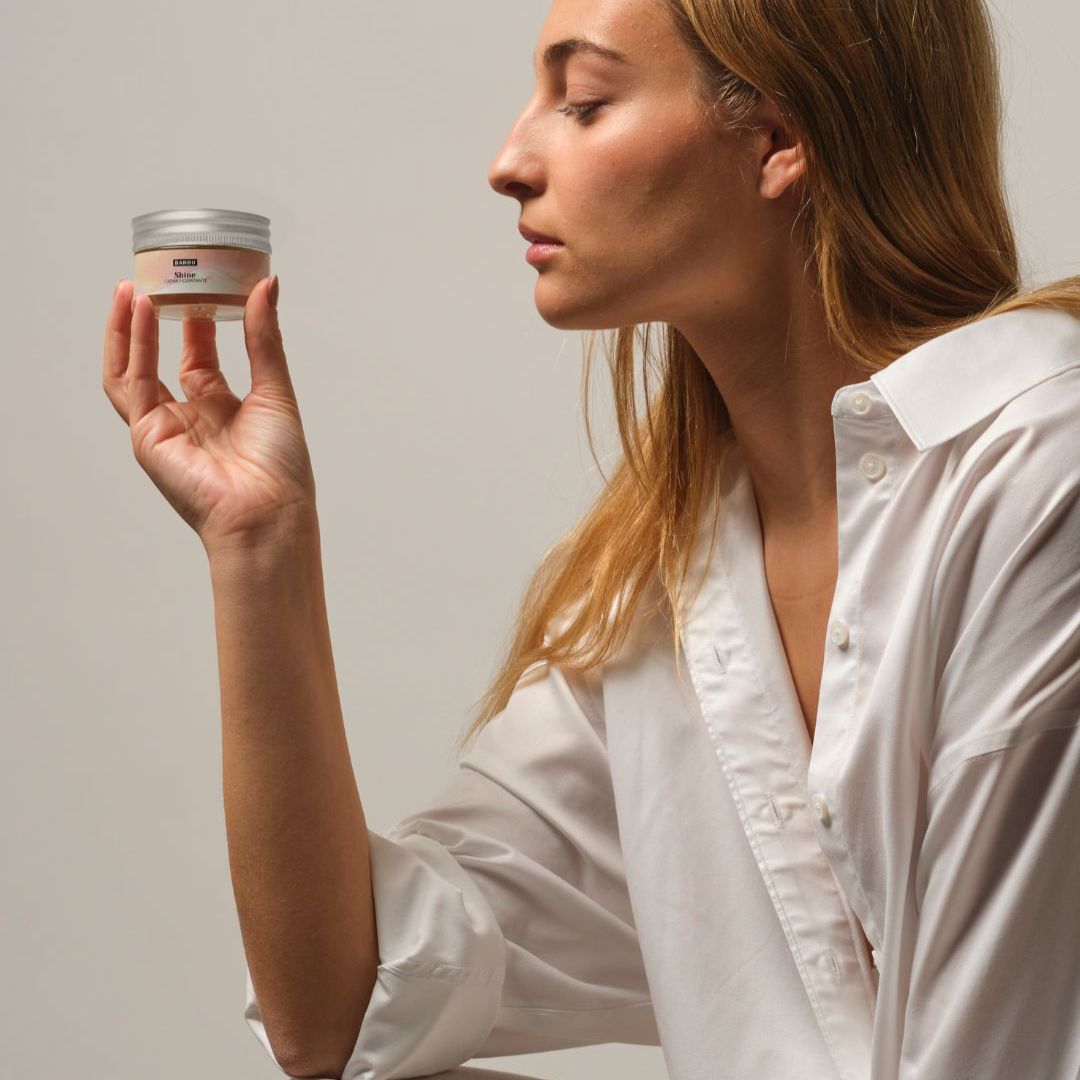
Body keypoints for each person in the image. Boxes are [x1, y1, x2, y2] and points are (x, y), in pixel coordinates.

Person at [101, 0, 1080, 1078]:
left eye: (583, 102)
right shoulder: (668, 596)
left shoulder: (1041, 470)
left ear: (777, 140)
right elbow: (341, 1012)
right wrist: (260, 548)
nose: (509, 161)